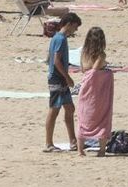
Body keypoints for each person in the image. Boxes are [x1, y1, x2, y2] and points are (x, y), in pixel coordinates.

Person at [44, 13, 81, 152]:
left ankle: (73, 141)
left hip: (59, 78)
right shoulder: (60, 39)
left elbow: (50, 58)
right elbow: (56, 60)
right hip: (58, 79)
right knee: (54, 110)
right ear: (70, 23)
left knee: (70, 108)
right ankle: (48, 143)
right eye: (75, 27)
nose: (75, 31)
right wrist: (67, 77)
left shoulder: (57, 38)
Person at [75, 26, 114, 157]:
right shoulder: (101, 55)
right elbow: (95, 72)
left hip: (85, 89)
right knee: (103, 117)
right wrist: (107, 72)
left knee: (83, 118)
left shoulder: (84, 52)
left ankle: (80, 150)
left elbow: (84, 70)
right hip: (97, 92)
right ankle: (102, 150)